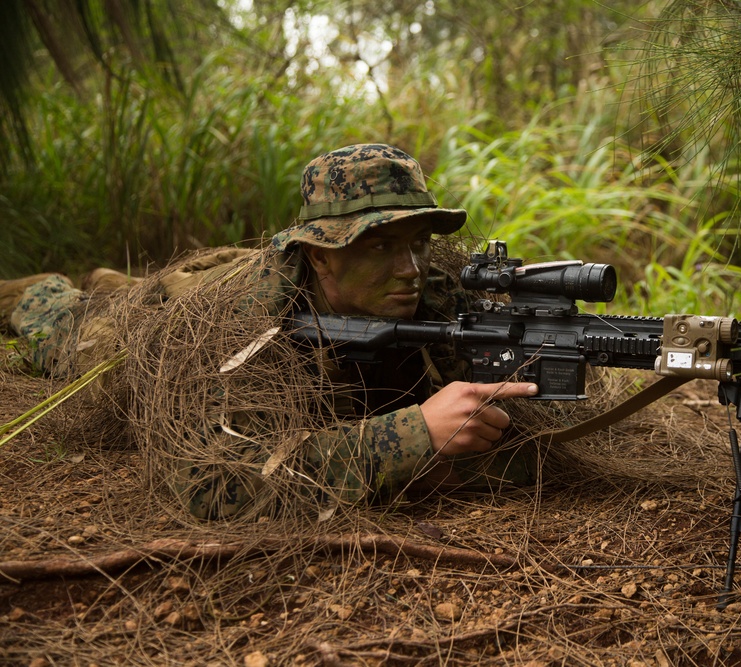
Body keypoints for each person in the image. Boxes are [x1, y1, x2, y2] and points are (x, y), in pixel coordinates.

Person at [0, 144, 540, 519]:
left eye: (418, 242)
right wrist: (415, 434)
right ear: (319, 256)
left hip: (253, 279)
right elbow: (211, 486)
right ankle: (48, 291)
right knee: (72, 327)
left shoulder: (435, 289)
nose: (411, 269)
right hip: (140, 335)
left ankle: (119, 280)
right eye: (378, 246)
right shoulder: (242, 327)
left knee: (139, 285)